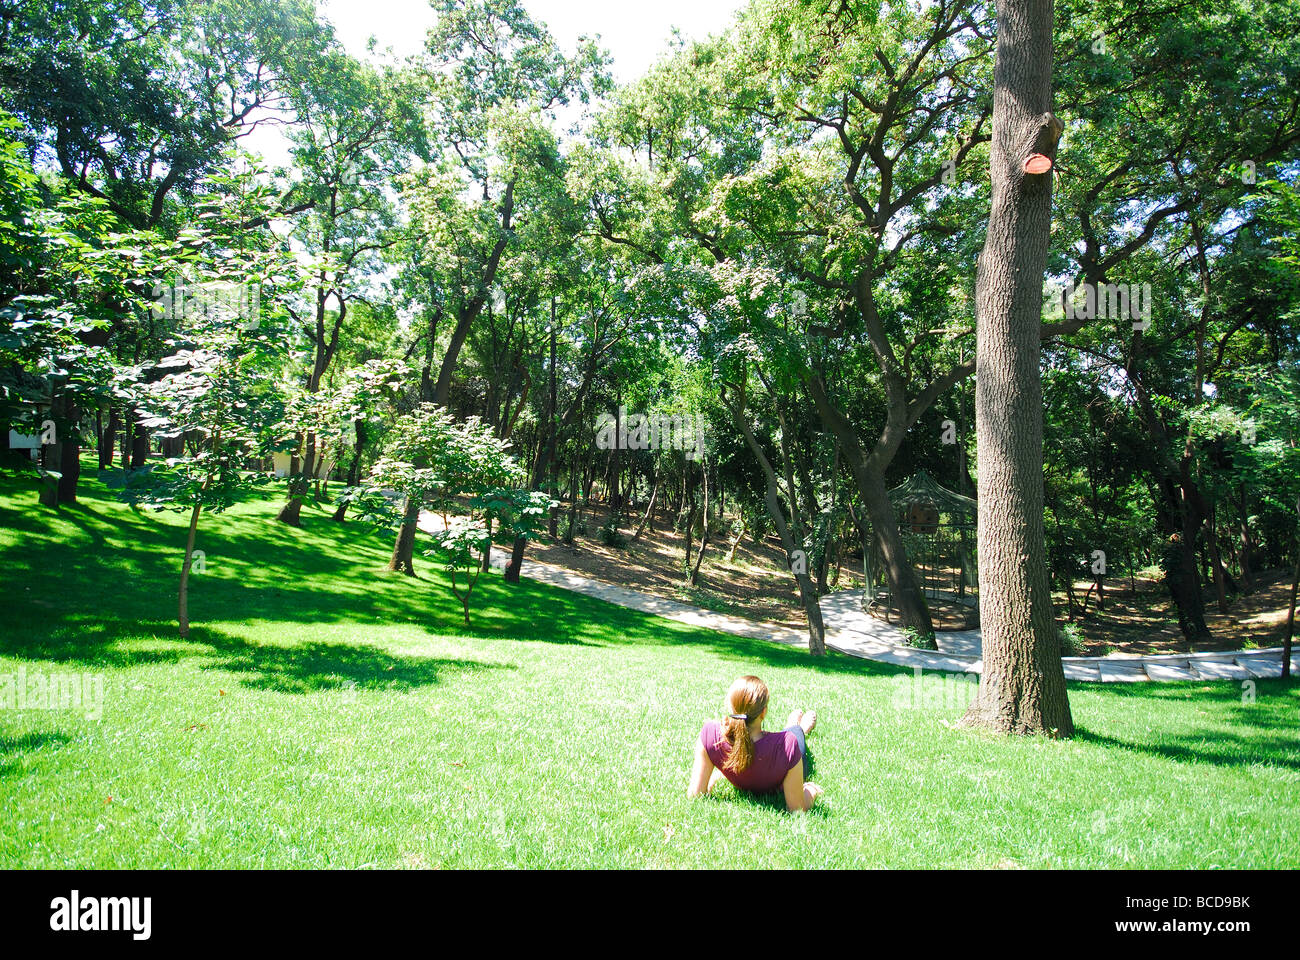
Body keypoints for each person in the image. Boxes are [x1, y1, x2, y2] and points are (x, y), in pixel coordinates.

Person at [687, 675, 823, 812]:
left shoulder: (710, 735)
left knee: (791, 733)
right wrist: (811, 791)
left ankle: (796, 725)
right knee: (795, 732)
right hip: (786, 756)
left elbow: (695, 794)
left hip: (773, 751)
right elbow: (797, 808)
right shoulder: (787, 744)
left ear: (731, 706)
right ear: (763, 713)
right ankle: (799, 727)